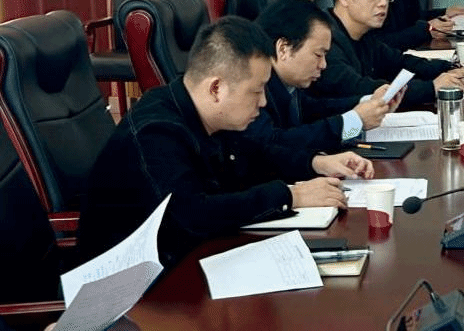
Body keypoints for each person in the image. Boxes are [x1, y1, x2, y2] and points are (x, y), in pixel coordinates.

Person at [79, 17, 374, 268]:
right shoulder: (156, 133)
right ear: (216, 88)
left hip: (187, 259)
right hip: (133, 286)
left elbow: (256, 153)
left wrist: (317, 163)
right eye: (256, 91)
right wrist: (290, 195)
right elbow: (194, 215)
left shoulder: (206, 113)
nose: (263, 102)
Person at [310, 0, 464, 104]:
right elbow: (360, 89)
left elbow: (400, 62)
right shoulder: (322, 39)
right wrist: (432, 87)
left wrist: (450, 68)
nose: (383, 2)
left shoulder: (363, 34)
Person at [245, 0, 402, 152]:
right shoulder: (253, 89)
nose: (323, 65)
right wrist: (354, 122)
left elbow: (311, 110)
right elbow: (273, 144)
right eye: (318, 54)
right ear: (283, 49)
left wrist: (369, 102)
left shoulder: (286, 83)